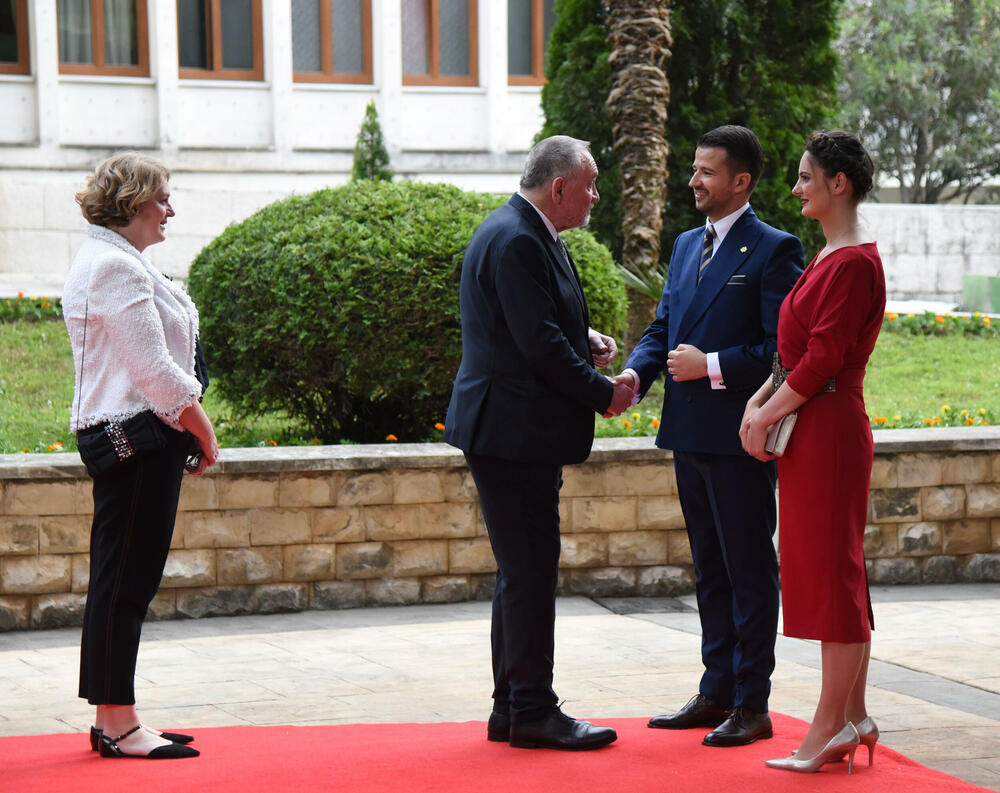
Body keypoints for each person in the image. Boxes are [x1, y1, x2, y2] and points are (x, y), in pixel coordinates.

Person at [613, 126, 803, 747]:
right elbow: (663, 327)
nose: (693, 180)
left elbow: (781, 351)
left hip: (740, 437)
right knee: (708, 570)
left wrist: (712, 365)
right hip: (688, 434)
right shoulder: (687, 242)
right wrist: (634, 378)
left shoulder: (775, 249)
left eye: (706, 172)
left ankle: (754, 703)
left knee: (748, 571)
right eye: (693, 170)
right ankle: (715, 689)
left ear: (740, 182)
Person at [443, 135, 632, 751]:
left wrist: (588, 335)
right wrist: (605, 393)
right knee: (528, 573)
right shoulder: (520, 237)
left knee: (520, 572)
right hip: (513, 431)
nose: (596, 197)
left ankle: (511, 708)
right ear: (559, 187)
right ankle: (531, 711)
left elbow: (533, 323)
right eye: (592, 185)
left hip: (509, 428)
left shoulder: (518, 228)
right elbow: (539, 348)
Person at [63, 152, 219, 759]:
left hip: (141, 441)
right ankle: (120, 722)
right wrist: (204, 432)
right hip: (138, 443)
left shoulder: (114, 261)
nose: (169, 211)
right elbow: (155, 372)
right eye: (161, 199)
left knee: (123, 580)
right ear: (130, 203)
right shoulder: (114, 269)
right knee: (126, 582)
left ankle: (112, 718)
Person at [740, 130, 884, 774]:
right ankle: (853, 715)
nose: (796, 187)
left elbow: (825, 356)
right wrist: (760, 400)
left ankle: (830, 727)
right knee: (832, 570)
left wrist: (767, 411)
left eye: (806, 177)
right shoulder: (831, 257)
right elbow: (795, 353)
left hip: (827, 430)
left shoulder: (852, 263)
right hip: (813, 425)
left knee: (834, 576)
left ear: (838, 184)